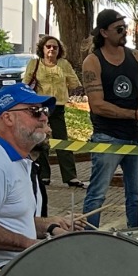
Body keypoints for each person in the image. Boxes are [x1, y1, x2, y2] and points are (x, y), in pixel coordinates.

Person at [0, 83, 80, 269]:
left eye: (45, 111)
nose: (44, 117)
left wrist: (50, 227)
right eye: (35, 111)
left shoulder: (18, 162)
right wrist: (34, 247)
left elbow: (13, 222)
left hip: (13, 270)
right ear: (8, 118)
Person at [81, 8, 138, 230]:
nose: (124, 33)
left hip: (136, 136)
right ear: (104, 32)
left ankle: (137, 239)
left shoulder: (136, 56)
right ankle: (87, 240)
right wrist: (132, 114)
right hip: (107, 136)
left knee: (136, 196)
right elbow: (97, 104)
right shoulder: (93, 61)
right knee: (97, 195)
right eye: (119, 29)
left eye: (125, 28)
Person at [22, 35, 83, 189]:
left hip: (58, 106)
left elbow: (74, 83)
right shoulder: (35, 63)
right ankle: (43, 176)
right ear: (42, 49)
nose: (51, 49)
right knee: (41, 140)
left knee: (62, 140)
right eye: (48, 46)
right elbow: (25, 84)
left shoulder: (64, 64)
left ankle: (71, 177)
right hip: (40, 106)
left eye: (55, 47)